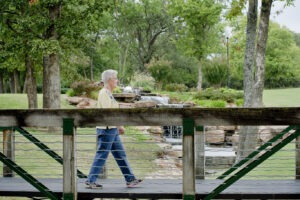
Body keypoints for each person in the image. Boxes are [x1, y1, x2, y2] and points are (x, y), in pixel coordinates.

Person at [85, 69, 142, 189]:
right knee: (102, 154)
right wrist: (118, 125)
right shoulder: (104, 93)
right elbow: (108, 113)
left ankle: (130, 179)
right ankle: (91, 180)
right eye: (115, 78)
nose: (117, 80)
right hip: (106, 130)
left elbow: (112, 112)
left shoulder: (108, 93)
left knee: (120, 154)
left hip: (112, 130)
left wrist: (118, 126)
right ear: (110, 80)